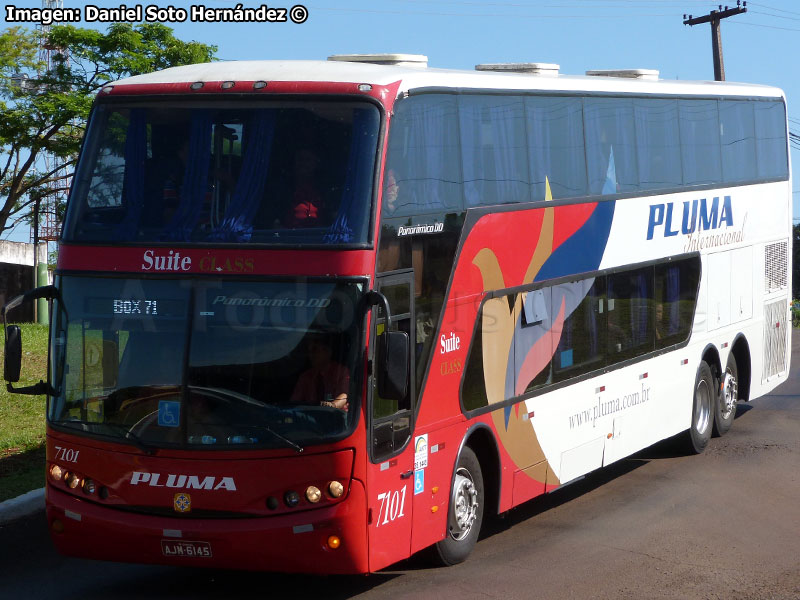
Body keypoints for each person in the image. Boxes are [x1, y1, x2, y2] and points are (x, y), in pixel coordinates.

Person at [290, 336, 349, 411]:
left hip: (337, 418)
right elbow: (295, 402)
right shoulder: (306, 377)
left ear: (328, 352)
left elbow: (344, 395)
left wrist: (332, 406)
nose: (311, 355)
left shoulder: (341, 372)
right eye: (309, 351)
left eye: (315, 350)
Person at [285, 148, 325, 227]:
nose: (303, 164)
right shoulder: (284, 189)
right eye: (300, 159)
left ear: (316, 163)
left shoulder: (323, 190)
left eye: (307, 160)